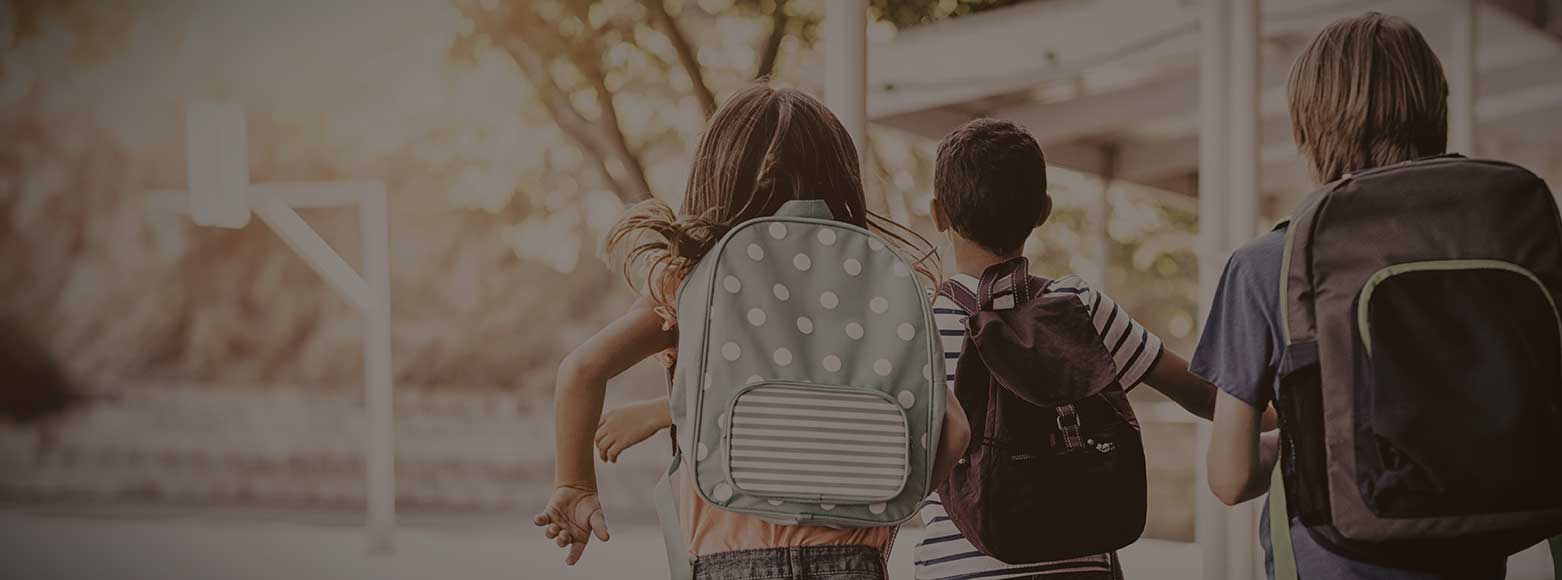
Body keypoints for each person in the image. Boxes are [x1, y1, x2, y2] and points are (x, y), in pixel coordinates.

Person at [535, 83, 972, 580]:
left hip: (730, 562)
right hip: (852, 562)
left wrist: (574, 483)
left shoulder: (692, 281)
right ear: (841, 178)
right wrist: (881, 515)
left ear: (717, 176)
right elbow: (955, 432)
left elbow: (581, 369)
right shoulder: (883, 290)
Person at [1197, 12, 1509, 579]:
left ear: (1311, 127)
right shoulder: (1496, 256)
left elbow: (1231, 476)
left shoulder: (1273, 263)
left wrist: (1302, 438)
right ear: (1435, 111)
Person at [913, 118, 1228, 580]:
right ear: (1044, 210)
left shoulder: (916, 330)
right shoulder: (1077, 307)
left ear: (939, 214)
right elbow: (1204, 395)